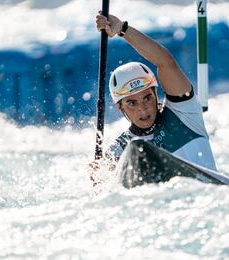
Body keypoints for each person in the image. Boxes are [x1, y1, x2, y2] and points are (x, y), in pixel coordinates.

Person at [89, 12, 216, 185]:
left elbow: (165, 62)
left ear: (156, 94)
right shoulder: (119, 150)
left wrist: (122, 29)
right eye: (132, 103)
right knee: (136, 150)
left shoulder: (184, 112)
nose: (143, 108)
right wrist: (98, 176)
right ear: (120, 107)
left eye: (147, 98)